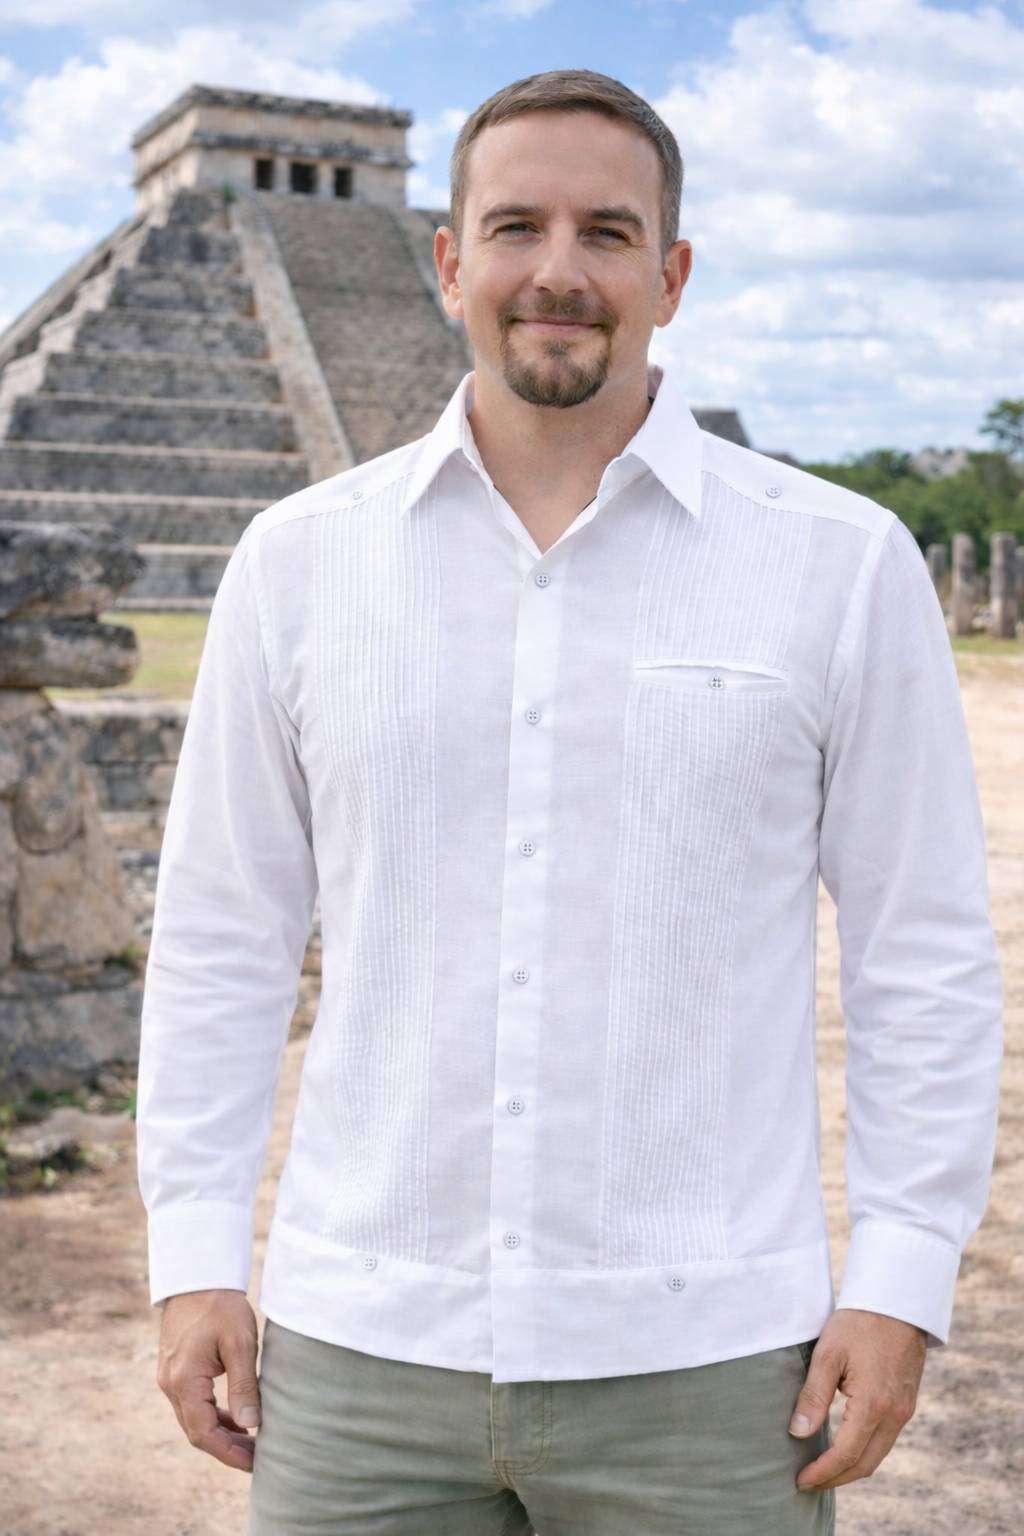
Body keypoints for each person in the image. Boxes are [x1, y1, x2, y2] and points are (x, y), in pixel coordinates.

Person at [137, 69, 1002, 1536]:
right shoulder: (296, 564)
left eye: (608, 233)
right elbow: (222, 937)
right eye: (515, 225)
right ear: (446, 258)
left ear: (669, 276)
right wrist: (195, 1256)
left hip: (713, 1365)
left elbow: (923, 953)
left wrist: (902, 1281)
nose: (558, 271)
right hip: (360, 1351)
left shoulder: (839, 564)